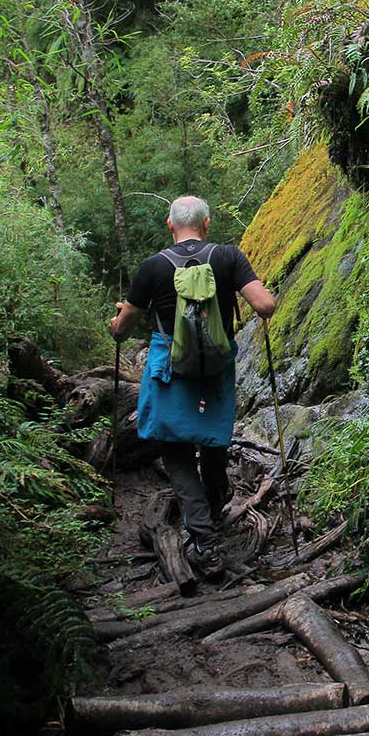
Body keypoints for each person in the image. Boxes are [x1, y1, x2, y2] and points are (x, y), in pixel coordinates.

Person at [107, 195, 276, 579]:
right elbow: (264, 306)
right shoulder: (229, 257)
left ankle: (202, 538)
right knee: (214, 442)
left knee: (176, 451)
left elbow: (123, 329)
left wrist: (116, 323)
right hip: (215, 368)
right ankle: (214, 507)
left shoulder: (152, 267)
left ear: (170, 225)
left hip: (171, 368)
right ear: (207, 223)